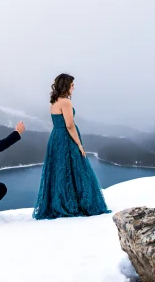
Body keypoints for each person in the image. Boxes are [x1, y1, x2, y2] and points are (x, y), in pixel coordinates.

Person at [32, 73, 110, 219]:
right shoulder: (66, 102)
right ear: (66, 85)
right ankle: (77, 204)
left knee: (60, 171)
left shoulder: (54, 102)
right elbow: (69, 125)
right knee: (77, 169)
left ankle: (60, 203)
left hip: (55, 138)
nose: (74, 87)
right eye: (72, 85)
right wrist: (79, 144)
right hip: (67, 138)